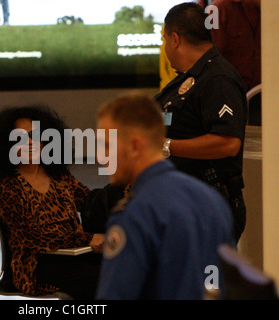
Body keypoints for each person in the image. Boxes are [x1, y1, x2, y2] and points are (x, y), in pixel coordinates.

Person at [95, 92, 235, 300]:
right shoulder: (211, 200)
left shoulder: (136, 214)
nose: (100, 156)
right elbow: (226, 285)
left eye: (106, 145)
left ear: (134, 146)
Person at [0, 105, 104, 300]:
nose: (30, 142)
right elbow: (33, 237)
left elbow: (93, 204)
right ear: (7, 145)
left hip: (76, 258)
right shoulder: (7, 186)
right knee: (100, 279)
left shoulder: (59, 175)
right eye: (20, 138)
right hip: (37, 267)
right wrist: (87, 239)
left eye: (34, 135)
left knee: (125, 267)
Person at [154, 3, 247, 243]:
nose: (165, 48)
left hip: (208, 207)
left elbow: (227, 143)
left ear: (175, 39)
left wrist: (165, 145)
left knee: (207, 280)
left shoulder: (218, 79)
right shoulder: (190, 78)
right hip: (183, 203)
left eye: (165, 40)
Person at [210, 0, 261, 125]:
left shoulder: (271, 10)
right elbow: (208, 58)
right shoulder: (214, 10)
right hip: (229, 97)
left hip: (266, 95)